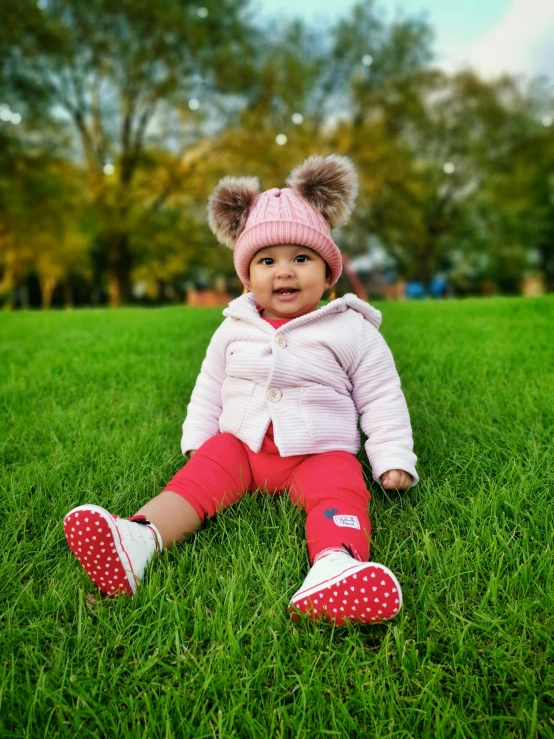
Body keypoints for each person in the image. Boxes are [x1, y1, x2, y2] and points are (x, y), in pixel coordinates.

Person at [63, 154, 418, 626]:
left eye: (301, 258)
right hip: (242, 447)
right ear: (248, 276)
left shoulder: (350, 329)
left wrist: (392, 457)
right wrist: (198, 440)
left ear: (329, 273)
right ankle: (138, 539)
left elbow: (380, 395)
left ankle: (336, 564)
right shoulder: (234, 327)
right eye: (267, 261)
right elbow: (210, 385)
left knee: (340, 485)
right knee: (197, 480)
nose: (284, 272)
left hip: (318, 452)